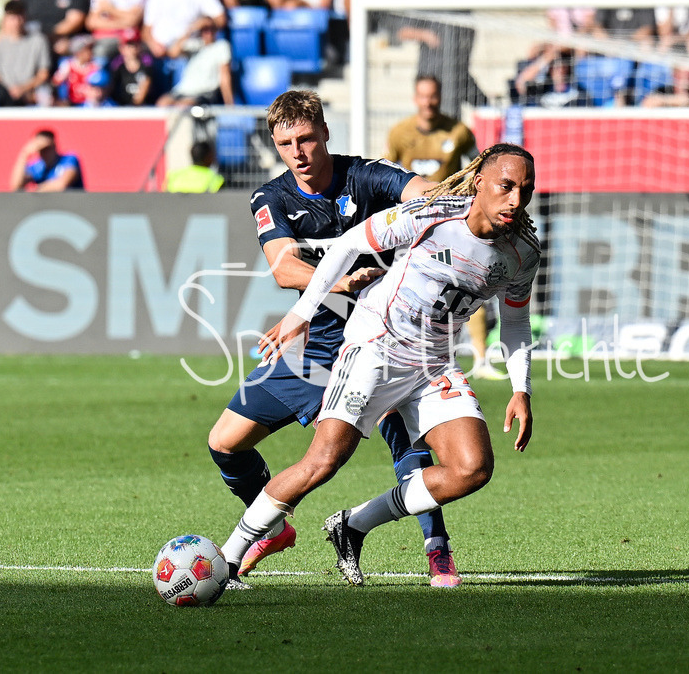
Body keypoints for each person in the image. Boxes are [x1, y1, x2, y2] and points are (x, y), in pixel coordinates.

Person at [218, 143, 539, 587]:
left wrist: (520, 389)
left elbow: (517, 322)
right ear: (480, 180)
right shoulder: (432, 215)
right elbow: (350, 243)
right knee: (323, 461)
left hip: (434, 363)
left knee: (471, 468)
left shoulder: (522, 250)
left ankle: (352, 525)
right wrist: (301, 313)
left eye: (526, 190)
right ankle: (226, 559)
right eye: (506, 187)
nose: (516, 201)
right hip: (376, 345)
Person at [204, 91, 470, 589]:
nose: (298, 152)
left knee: (407, 440)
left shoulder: (366, 175)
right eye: (286, 144)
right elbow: (283, 267)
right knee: (225, 443)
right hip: (317, 342)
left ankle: (438, 551)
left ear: (325, 132)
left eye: (306, 138)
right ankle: (272, 528)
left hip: (383, 338)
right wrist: (340, 280)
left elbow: (424, 192)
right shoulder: (272, 197)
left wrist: (456, 195)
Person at [385, 74, 504, 380]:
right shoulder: (400, 133)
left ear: (440, 96)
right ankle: (407, 352)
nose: (428, 102)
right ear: (416, 98)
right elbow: (388, 173)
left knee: (467, 284)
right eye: (423, 96)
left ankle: (480, 358)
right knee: (409, 287)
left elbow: (479, 168)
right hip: (414, 224)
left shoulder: (459, 132)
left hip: (450, 223)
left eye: (433, 96)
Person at [0, 0, 51, 105]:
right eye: (12, 18)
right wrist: (12, 90)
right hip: (6, 93)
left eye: (19, 17)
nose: (16, 22)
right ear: (5, 19)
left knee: (45, 95)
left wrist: (23, 89)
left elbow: (43, 74)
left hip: (32, 92)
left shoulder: (38, 40)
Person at [154, 22, 232, 107]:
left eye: (211, 29)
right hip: (183, 91)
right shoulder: (195, 45)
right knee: (162, 103)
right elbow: (172, 53)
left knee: (182, 107)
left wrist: (229, 103)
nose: (208, 33)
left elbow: (225, 76)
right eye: (204, 30)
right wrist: (191, 30)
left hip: (204, 93)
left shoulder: (221, 46)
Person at [10, 129, 85, 191]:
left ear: (54, 146)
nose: (45, 152)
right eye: (41, 149)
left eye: (47, 148)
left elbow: (61, 185)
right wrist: (24, 154)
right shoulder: (38, 167)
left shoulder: (68, 159)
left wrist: (37, 189)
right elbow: (16, 186)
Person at [106, 27, 151, 105]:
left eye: (134, 45)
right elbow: (110, 88)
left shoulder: (147, 64)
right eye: (128, 45)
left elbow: (143, 90)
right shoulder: (116, 66)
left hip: (142, 107)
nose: (132, 48)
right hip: (119, 106)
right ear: (121, 48)